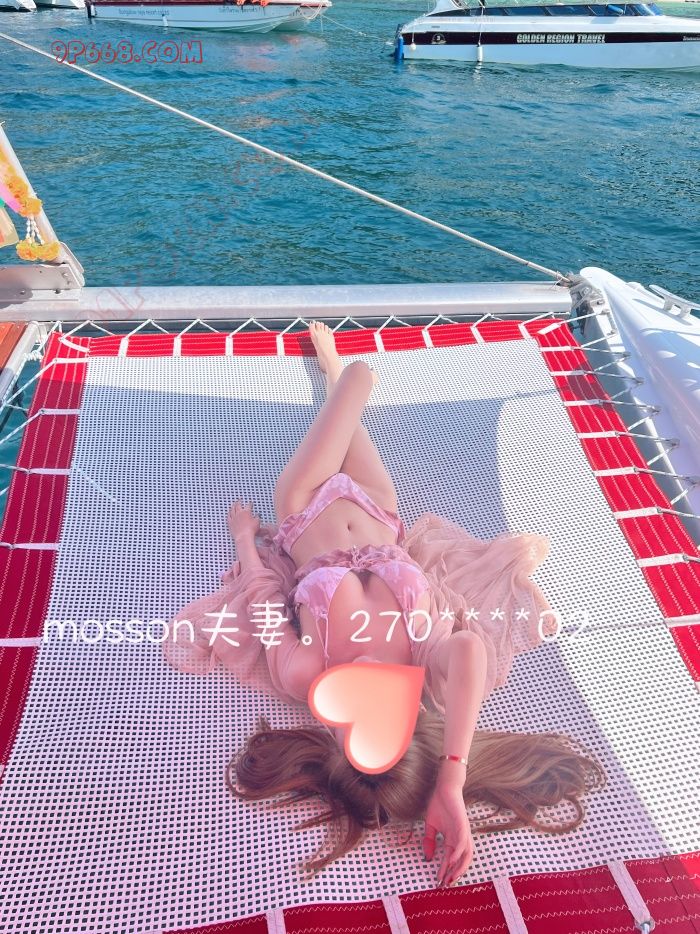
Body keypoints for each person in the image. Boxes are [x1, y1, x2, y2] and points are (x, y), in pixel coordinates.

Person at [163, 321, 606, 888]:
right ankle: (330, 375)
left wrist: (246, 539)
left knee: (357, 377)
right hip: (379, 509)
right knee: (354, 380)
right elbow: (471, 649)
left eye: (348, 730)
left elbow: (263, 597)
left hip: (302, 503)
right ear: (412, 726)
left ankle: (333, 376)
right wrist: (452, 777)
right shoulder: (429, 666)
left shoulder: (306, 674)